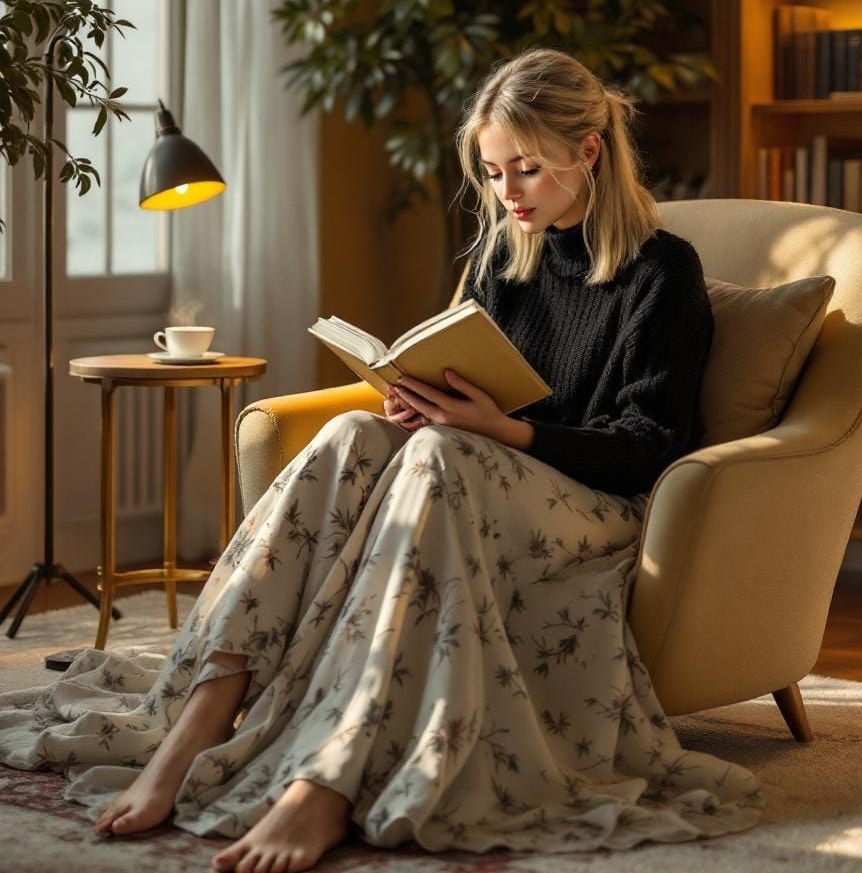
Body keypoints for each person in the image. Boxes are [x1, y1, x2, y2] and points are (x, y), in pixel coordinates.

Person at [0, 48, 762, 871]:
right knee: (353, 436)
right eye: (494, 171)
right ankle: (199, 721)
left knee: (439, 450)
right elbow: (469, 384)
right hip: (481, 473)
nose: (508, 193)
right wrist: (418, 398)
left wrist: (494, 429)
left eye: (528, 169)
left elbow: (649, 449)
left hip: (592, 503)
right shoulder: (506, 257)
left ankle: (329, 780)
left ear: (589, 151)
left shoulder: (662, 271)